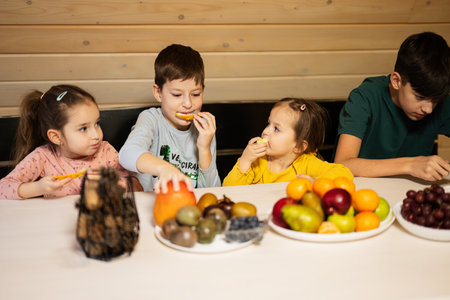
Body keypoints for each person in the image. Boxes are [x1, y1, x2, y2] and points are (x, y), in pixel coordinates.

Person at [334, 32, 450, 181]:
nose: (429, 109)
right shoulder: (365, 97)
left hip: (411, 195)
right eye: (420, 97)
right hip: (362, 193)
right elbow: (342, 164)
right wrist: (411, 164)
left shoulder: (441, 101)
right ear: (396, 81)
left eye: (436, 99)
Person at [0, 85, 139, 200]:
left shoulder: (106, 151)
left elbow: (137, 186)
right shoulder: (43, 157)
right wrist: (38, 188)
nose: (95, 135)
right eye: (83, 128)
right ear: (56, 137)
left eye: (97, 123)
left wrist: (110, 186)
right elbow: (2, 188)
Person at [119, 44, 221, 193]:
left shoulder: (204, 129)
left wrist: (205, 148)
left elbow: (212, 192)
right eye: (177, 95)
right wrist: (165, 169)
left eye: (196, 94)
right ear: (158, 92)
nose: (188, 104)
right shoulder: (151, 119)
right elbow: (126, 154)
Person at [222, 98, 353, 186]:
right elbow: (228, 188)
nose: (266, 131)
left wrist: (316, 182)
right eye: (268, 124)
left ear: (299, 146)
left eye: (276, 129)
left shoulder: (306, 163)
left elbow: (344, 173)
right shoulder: (258, 161)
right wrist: (245, 160)